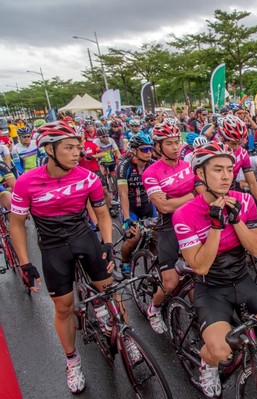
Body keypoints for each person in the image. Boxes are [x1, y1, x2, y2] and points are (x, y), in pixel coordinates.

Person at [9, 121, 128, 394]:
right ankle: (72, 361)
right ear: (50, 150)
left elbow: (101, 215)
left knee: (110, 289)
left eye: (78, 147)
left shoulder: (88, 177)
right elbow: (16, 225)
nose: (77, 153)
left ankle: (127, 339)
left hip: (83, 238)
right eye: (70, 148)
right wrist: (26, 264)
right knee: (63, 307)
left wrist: (108, 244)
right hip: (52, 248)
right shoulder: (27, 182)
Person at [172, 142, 257, 398]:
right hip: (211, 287)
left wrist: (235, 221)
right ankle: (206, 363)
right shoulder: (184, 214)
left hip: (242, 279)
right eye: (217, 170)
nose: (226, 176)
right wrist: (215, 226)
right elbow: (199, 265)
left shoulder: (244, 201)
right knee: (223, 351)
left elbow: (256, 249)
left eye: (229, 169)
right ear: (200, 174)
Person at [142, 122, 195, 334]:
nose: (175, 147)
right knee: (171, 282)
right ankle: (154, 309)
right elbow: (163, 206)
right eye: (169, 143)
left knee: (201, 271)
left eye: (177, 142)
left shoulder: (188, 165)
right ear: (157, 147)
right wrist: (192, 196)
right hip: (168, 226)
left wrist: (176, 199)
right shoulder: (151, 172)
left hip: (193, 222)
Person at [116, 133, 156, 277]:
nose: (149, 153)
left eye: (150, 149)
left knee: (155, 239)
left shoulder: (152, 164)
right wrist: (127, 219)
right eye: (144, 150)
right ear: (134, 150)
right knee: (134, 238)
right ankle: (125, 261)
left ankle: (155, 267)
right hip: (131, 207)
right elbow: (123, 195)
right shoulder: (124, 166)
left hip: (148, 205)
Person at [219, 115, 257, 213]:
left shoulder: (242, 153)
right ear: (222, 139)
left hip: (231, 190)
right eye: (233, 143)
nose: (236, 148)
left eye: (239, 143)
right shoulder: (213, 153)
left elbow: (252, 183)